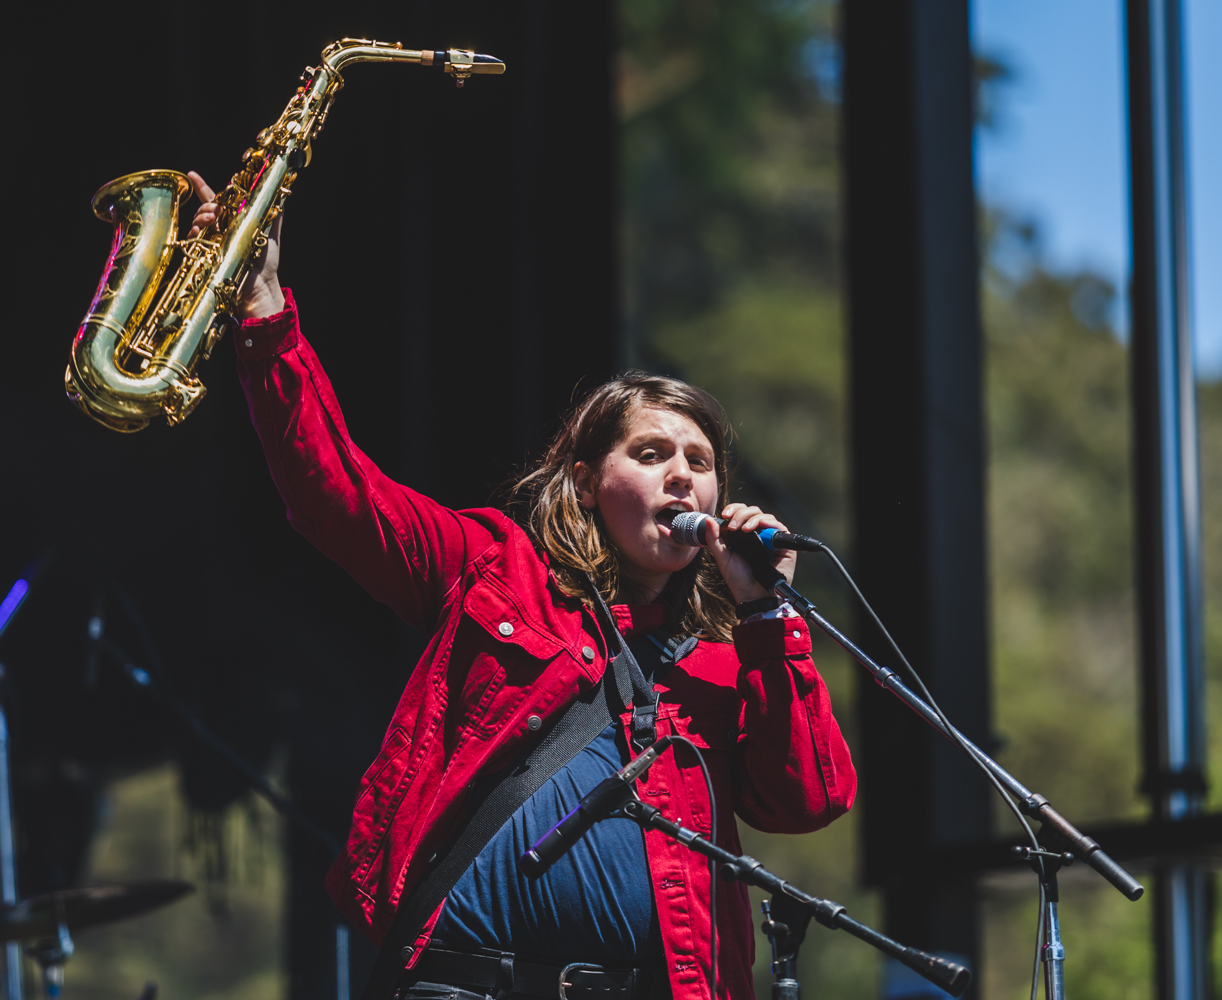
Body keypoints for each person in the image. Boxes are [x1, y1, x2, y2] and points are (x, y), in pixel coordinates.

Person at [187, 173, 857, 1000]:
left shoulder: (728, 661)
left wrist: (769, 615)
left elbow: (811, 798)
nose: (682, 478)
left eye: (701, 463)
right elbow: (334, 494)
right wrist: (263, 315)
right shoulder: (491, 571)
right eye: (651, 455)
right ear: (583, 483)